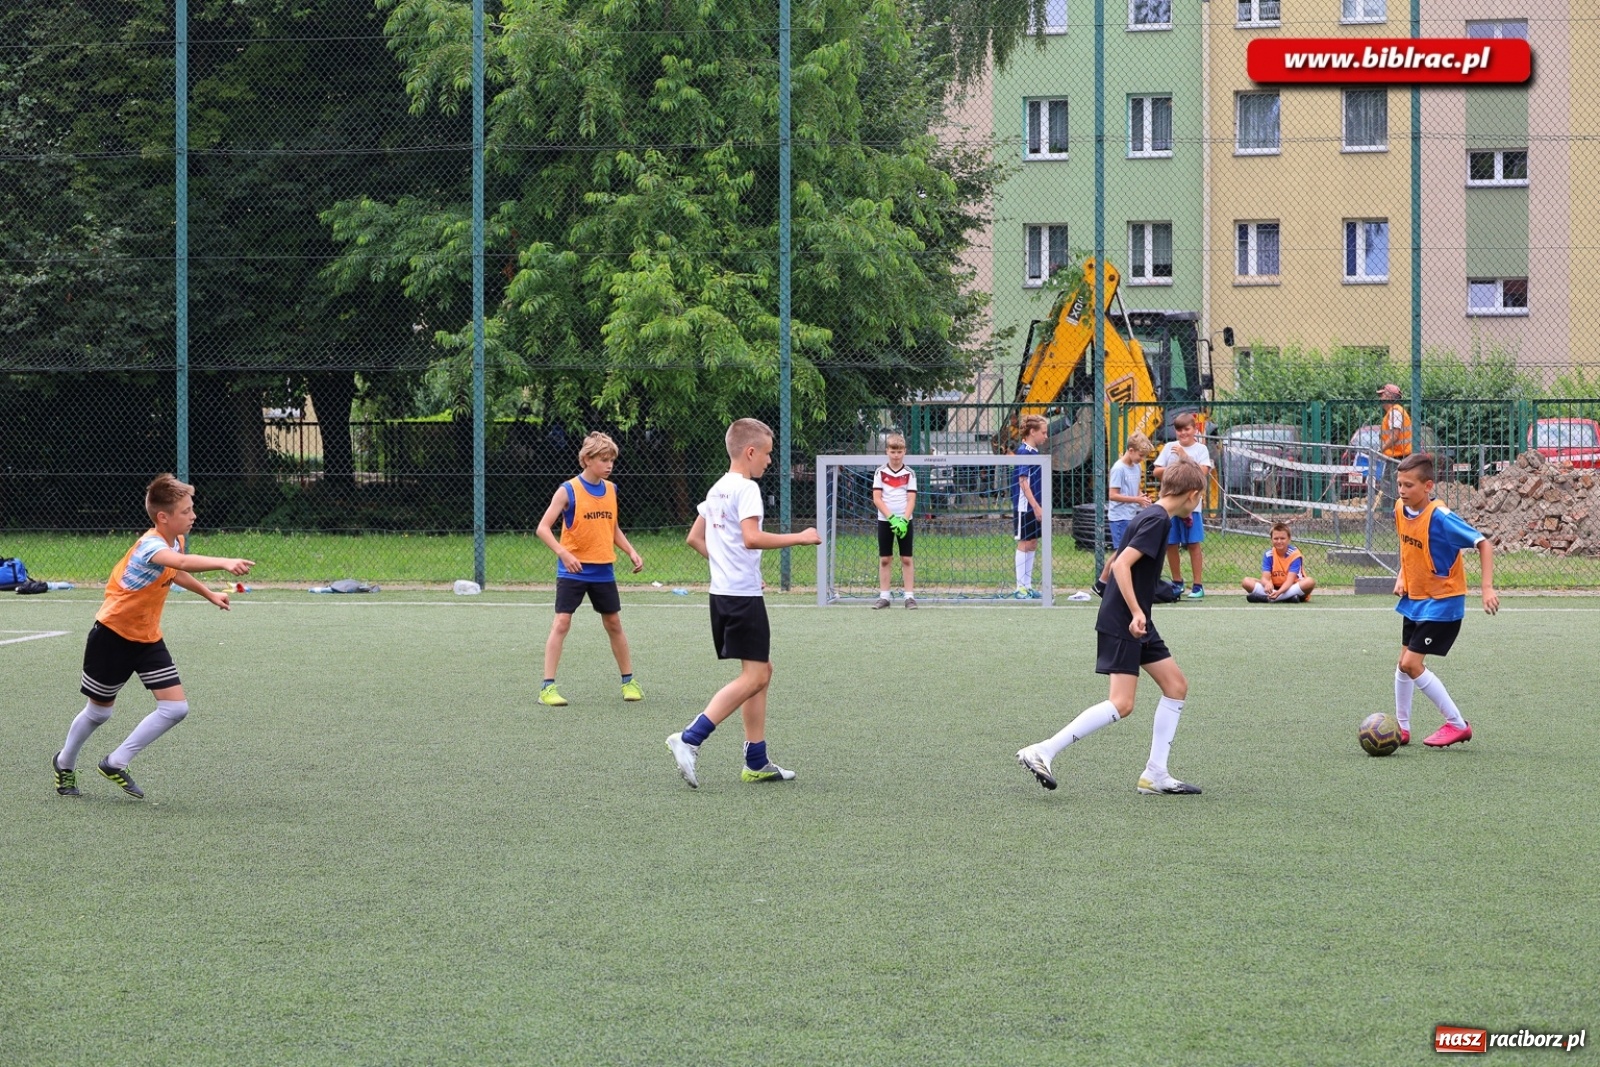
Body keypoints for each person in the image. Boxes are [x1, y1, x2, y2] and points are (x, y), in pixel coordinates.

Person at [1015, 452, 1209, 796]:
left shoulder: (1149, 515)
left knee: (1176, 686)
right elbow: (1123, 566)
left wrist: (1109, 592)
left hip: (1132, 617)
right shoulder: (1159, 520)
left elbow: (1117, 560)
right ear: (1192, 494)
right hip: (1126, 619)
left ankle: (1155, 774)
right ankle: (1043, 750)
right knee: (1122, 703)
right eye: (1201, 496)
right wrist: (1135, 611)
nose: (1200, 502)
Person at [51, 474, 254, 800]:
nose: (193, 516)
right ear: (164, 517)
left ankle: (116, 761)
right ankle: (64, 762)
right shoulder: (150, 546)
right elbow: (180, 562)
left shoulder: (175, 542)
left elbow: (178, 570)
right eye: (186, 511)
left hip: (146, 638)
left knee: (175, 708)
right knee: (100, 712)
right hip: (112, 637)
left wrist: (209, 594)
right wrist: (224, 563)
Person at [666, 418, 821, 788]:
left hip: (724, 594)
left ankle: (756, 759)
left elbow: (694, 537)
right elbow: (751, 538)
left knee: (761, 672)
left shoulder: (718, 488)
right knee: (756, 675)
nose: (769, 461)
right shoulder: (746, 488)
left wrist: (728, 565)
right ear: (750, 452)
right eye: (767, 454)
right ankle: (690, 738)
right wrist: (799, 537)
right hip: (741, 598)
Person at [1390, 452, 1497, 747]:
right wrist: (1402, 574)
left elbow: (1483, 544)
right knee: (1402, 664)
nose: (1402, 491)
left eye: (1409, 485)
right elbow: (1407, 546)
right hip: (1415, 599)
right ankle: (1401, 728)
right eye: (1399, 484)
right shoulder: (1400, 508)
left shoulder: (1442, 517)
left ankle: (1457, 724)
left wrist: (1486, 588)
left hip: (1443, 602)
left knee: (1412, 664)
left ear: (1428, 486)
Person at [533, 431, 645, 707]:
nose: (609, 465)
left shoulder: (611, 490)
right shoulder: (568, 490)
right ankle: (547, 687)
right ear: (586, 459)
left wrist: (630, 550)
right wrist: (563, 553)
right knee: (562, 622)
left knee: (614, 623)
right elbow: (543, 528)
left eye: (612, 461)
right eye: (603, 460)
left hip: (603, 570)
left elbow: (612, 527)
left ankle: (628, 681)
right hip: (572, 570)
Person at [1152, 413, 1213, 599]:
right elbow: (1157, 471)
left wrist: (1184, 458)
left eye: (1187, 429)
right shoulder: (1169, 447)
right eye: (1179, 430)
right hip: (1171, 508)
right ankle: (1177, 582)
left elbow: (1201, 473)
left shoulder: (1201, 449)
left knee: (1193, 544)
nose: (1183, 433)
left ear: (1194, 429)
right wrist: (1177, 473)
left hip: (1191, 507)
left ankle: (1198, 585)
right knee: (1171, 544)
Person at [1092, 432, 1153, 597]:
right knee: (1122, 553)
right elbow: (1113, 495)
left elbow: (1135, 489)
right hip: (1119, 517)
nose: (1142, 459)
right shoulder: (1119, 469)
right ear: (1131, 450)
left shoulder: (1136, 466)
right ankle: (1103, 583)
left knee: (1125, 552)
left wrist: (1142, 498)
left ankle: (1106, 584)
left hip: (1131, 515)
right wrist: (1136, 499)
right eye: (1141, 455)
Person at [871, 433, 918, 609]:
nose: (896, 455)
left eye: (899, 451)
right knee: (885, 559)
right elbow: (877, 498)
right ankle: (884, 597)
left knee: (906, 558)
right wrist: (891, 518)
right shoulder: (880, 472)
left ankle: (909, 597)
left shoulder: (910, 473)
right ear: (887, 451)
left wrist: (903, 520)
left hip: (905, 521)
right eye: (893, 451)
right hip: (885, 521)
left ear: (904, 451)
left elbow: (911, 499)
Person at [1012, 414, 1048, 598]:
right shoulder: (1024, 452)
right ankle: (1020, 587)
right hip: (1025, 506)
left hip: (1035, 505)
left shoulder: (1034, 452)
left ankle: (1028, 585)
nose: (1046, 436)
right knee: (1025, 543)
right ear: (1032, 432)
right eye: (1043, 432)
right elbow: (1023, 482)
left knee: (1033, 543)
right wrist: (1035, 506)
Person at [1242, 521, 1317, 602]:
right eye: (1276, 538)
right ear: (1271, 539)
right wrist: (1267, 583)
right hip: (1274, 588)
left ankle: (1269, 599)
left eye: (1282, 538)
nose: (1279, 541)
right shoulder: (1268, 554)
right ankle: (1287, 599)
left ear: (1289, 539)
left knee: (1310, 582)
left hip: (1292, 587)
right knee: (1246, 582)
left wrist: (1279, 593)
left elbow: (1289, 581)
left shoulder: (1295, 554)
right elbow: (1264, 578)